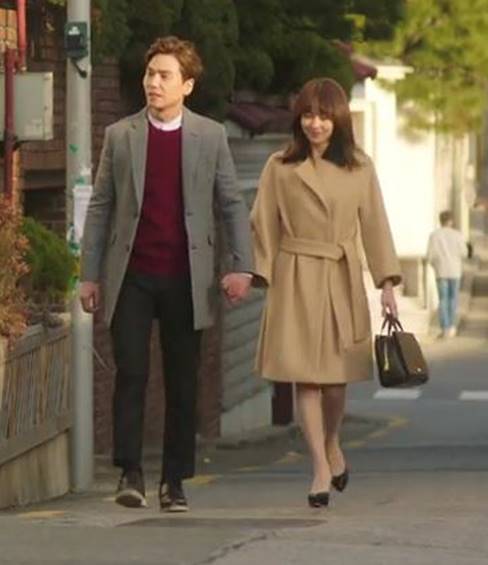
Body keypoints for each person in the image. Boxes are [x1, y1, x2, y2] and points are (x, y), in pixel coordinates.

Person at [80, 36, 253, 512]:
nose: (153, 83)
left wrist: (242, 267)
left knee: (182, 380)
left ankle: (174, 481)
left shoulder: (210, 136)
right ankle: (130, 472)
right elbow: (101, 206)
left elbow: (231, 203)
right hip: (131, 274)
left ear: (187, 85)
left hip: (186, 277)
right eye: (150, 74)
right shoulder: (121, 135)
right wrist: (88, 274)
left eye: (164, 76)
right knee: (131, 372)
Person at [250, 78, 401, 508]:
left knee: (336, 380)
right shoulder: (280, 166)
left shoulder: (359, 166)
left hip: (340, 275)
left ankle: (332, 441)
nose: (314, 124)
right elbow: (262, 221)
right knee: (307, 377)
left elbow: (375, 224)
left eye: (323, 117)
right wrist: (260, 272)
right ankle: (318, 466)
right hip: (295, 276)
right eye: (307, 115)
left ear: (339, 120)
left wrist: (387, 283)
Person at [427, 210, 467, 338]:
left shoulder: (434, 236)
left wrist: (434, 265)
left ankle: (444, 328)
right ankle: (452, 326)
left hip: (441, 271)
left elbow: (430, 255)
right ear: (451, 221)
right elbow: (464, 253)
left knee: (443, 299)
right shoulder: (458, 235)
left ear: (440, 221)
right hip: (455, 271)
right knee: (453, 299)